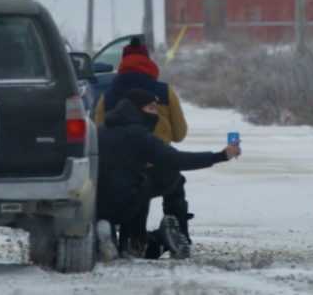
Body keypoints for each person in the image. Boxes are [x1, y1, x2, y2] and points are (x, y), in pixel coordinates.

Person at [95, 89, 241, 260]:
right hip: (125, 202)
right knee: (142, 182)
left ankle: (105, 236)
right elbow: (174, 159)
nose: (156, 113)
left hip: (94, 204)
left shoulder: (99, 132)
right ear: (135, 109)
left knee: (123, 184)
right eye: (151, 108)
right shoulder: (140, 135)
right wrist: (221, 156)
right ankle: (132, 242)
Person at [94, 37, 195, 251]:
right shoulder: (165, 92)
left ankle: (114, 236)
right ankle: (177, 232)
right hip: (160, 173)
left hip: (120, 178)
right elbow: (179, 134)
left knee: (126, 191)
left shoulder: (107, 97)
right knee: (174, 179)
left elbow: (98, 139)